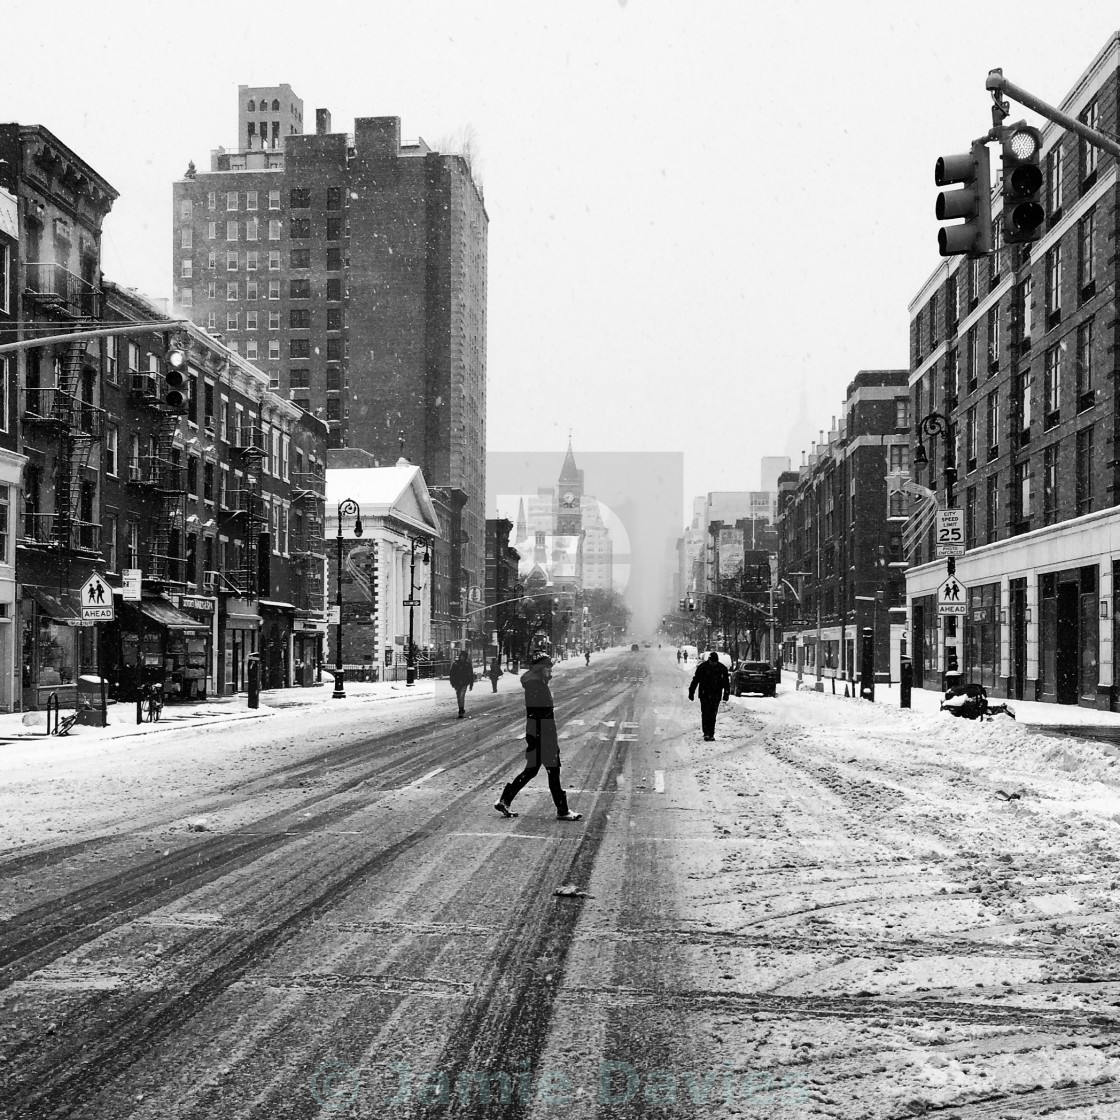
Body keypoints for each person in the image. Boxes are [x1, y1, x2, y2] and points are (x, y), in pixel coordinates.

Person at [494, 654, 582, 821]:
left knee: (532, 770)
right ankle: (562, 810)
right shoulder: (537, 686)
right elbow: (540, 714)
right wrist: (545, 738)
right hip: (543, 733)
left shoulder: (536, 683)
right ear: (541, 669)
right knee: (553, 771)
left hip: (536, 732)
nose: (551, 671)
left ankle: (505, 800)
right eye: (548, 668)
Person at [688, 651, 730, 741]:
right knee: (705, 714)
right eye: (712, 661)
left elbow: (726, 683)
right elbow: (695, 680)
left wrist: (726, 693)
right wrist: (691, 692)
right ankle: (706, 733)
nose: (713, 663)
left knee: (713, 715)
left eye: (715, 662)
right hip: (704, 694)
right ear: (709, 660)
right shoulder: (702, 667)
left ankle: (711, 734)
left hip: (716, 695)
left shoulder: (722, 668)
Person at [449, 650, 475, 718]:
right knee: (459, 696)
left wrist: (471, 684)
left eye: (463, 656)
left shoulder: (467, 664)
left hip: (464, 683)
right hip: (457, 683)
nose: (462, 658)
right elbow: (452, 674)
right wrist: (453, 682)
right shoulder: (456, 664)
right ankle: (461, 708)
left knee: (461, 696)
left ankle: (461, 710)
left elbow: (471, 675)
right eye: (461, 656)